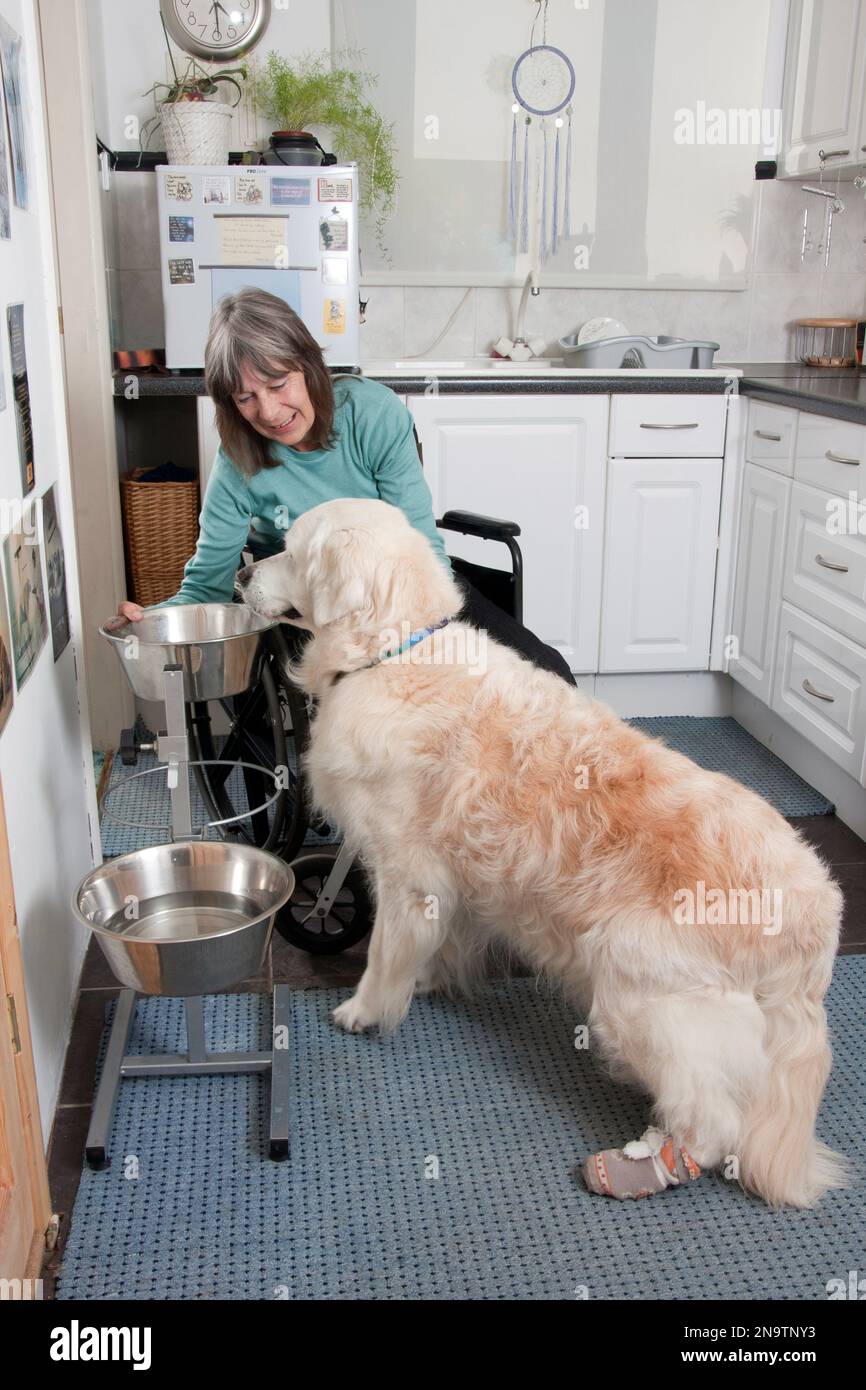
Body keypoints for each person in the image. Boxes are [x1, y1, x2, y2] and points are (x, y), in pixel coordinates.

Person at [112, 288, 575, 687]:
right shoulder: (238, 459)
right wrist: (149, 623)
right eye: (246, 397)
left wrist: (421, 642)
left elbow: (421, 547)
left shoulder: (372, 413)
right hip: (314, 606)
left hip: (405, 590)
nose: (269, 412)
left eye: (278, 384)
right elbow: (208, 582)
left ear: (308, 366)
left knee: (548, 673)